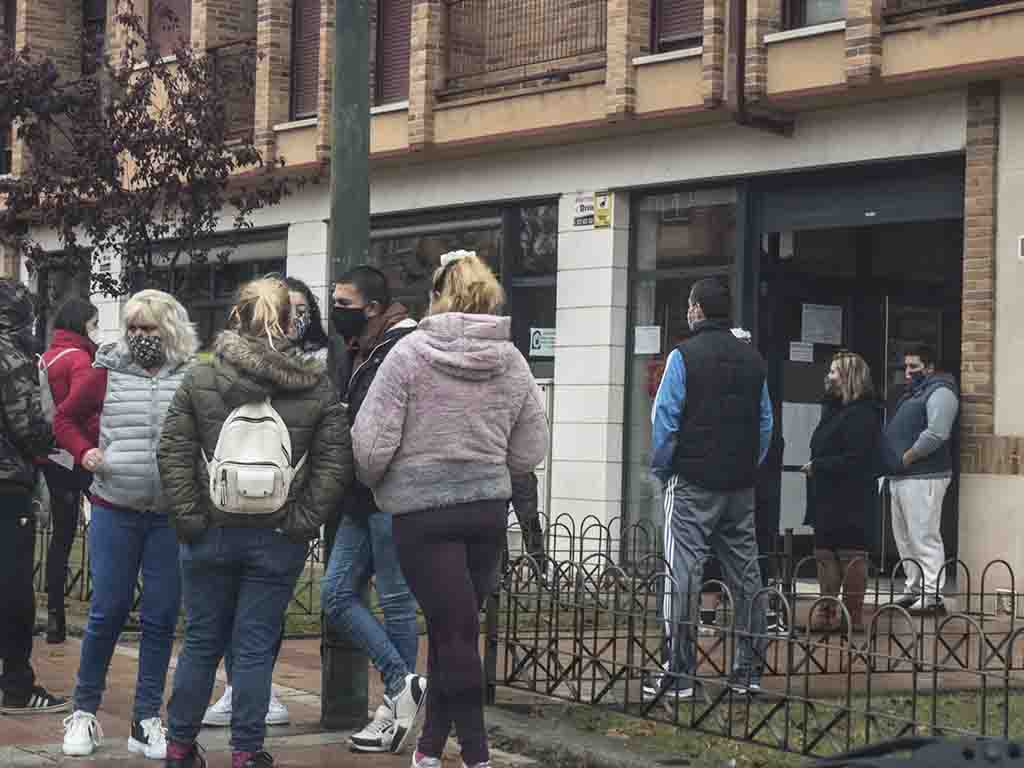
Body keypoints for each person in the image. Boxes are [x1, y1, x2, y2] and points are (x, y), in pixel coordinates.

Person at [352, 251, 549, 768]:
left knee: (453, 632)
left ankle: (477, 757)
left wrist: (384, 483)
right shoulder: (511, 360)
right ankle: (427, 750)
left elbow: (370, 448)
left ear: (439, 295)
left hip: (422, 514)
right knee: (455, 630)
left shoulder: (409, 354)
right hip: (485, 509)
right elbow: (530, 450)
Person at [158, 278, 352, 768]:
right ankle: (246, 751)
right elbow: (333, 465)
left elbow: (174, 453)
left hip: (210, 534)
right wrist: (300, 525)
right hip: (276, 536)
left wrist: (191, 520)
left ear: (234, 319)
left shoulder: (199, 379)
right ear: (292, 322)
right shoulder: (314, 385)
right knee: (254, 646)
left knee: (201, 641)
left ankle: (179, 746)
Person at [56, 290, 197, 759]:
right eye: (132, 327)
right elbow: (64, 419)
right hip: (114, 505)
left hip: (167, 515)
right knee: (107, 611)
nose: (139, 337)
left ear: (170, 329)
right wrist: (85, 452)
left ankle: (146, 719)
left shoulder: (192, 376)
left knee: (160, 616)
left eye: (149, 328)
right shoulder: (104, 371)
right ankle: (83, 711)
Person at [202, 275, 330, 729]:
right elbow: (179, 449)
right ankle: (244, 743)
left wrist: (301, 519)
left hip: (273, 526)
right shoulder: (209, 375)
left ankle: (190, 741)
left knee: (237, 633)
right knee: (223, 633)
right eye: (283, 310)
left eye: (298, 311)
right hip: (228, 526)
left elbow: (330, 460)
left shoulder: (313, 379)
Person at [650, 278, 773, 699]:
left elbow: (664, 419)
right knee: (746, 577)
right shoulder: (753, 360)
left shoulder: (683, 356)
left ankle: (679, 672)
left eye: (689, 304)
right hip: (738, 486)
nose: (687, 311)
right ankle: (748, 671)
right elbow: (765, 425)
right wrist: (744, 466)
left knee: (680, 573)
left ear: (698, 310)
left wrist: (665, 470)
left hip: (692, 482)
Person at [319, 265, 424, 754]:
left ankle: (394, 707)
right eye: (335, 301)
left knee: (396, 598)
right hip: (361, 494)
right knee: (336, 594)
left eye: (345, 304)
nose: (336, 312)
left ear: (375, 308)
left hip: (390, 492)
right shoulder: (360, 347)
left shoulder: (401, 348)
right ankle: (404, 684)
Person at [0, 278, 69, 715]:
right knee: (13, 586)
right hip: (7, 483)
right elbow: (28, 425)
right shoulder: (12, 355)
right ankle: (18, 686)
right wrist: (49, 445)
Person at [801, 352, 882, 634]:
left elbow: (857, 459)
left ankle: (852, 617)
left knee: (851, 555)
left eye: (835, 372)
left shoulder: (863, 413)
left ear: (849, 378)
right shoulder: (833, 409)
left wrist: (818, 465)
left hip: (852, 496)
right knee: (824, 553)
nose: (829, 376)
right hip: (825, 494)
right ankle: (826, 613)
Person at [38, 298, 101, 645]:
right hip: (80, 454)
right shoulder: (80, 359)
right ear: (81, 324)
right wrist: (95, 444)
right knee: (105, 524)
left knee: (61, 538)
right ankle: (105, 604)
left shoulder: (48, 357)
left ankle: (55, 619)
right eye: (94, 322)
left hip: (53, 458)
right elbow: (84, 409)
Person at [884, 344, 960, 614]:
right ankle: (914, 588)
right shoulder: (914, 392)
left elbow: (937, 433)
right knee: (904, 538)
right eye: (905, 367)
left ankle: (933, 595)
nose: (908, 372)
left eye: (913, 367)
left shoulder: (941, 391)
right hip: (903, 476)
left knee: (924, 536)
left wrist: (908, 456)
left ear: (929, 367)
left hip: (924, 475)